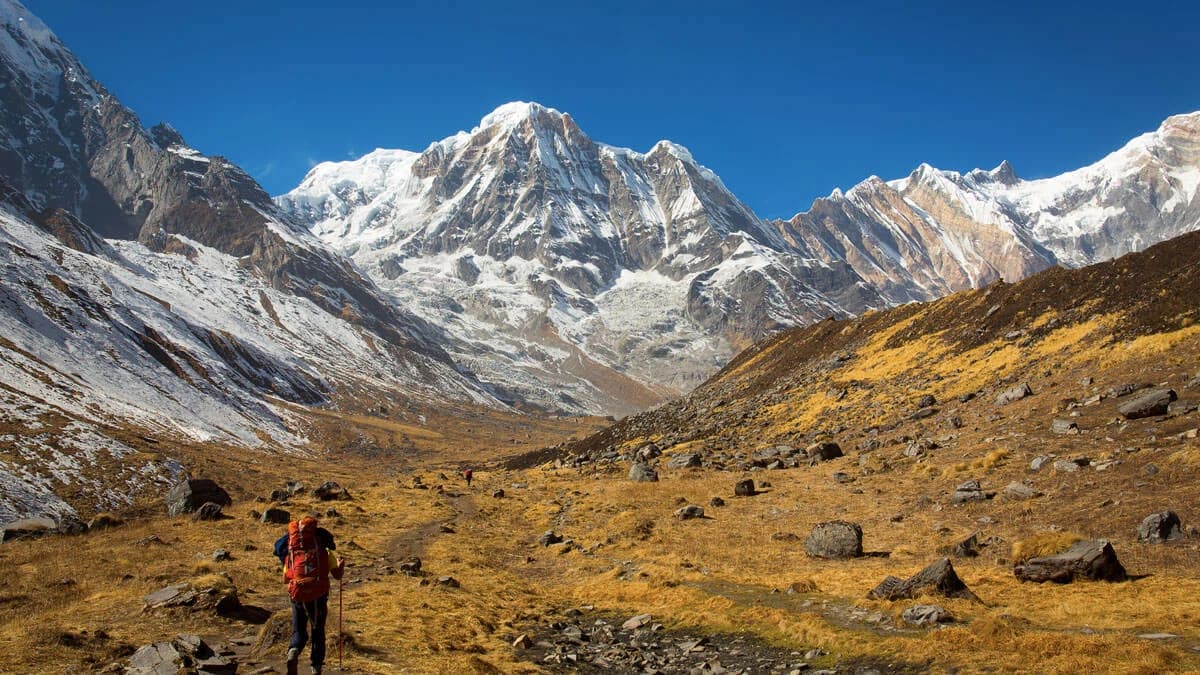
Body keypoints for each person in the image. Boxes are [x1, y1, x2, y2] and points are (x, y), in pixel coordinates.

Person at [275, 515, 344, 675]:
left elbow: (286, 578)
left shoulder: (292, 551)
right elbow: (337, 575)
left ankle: (293, 651)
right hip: (318, 595)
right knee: (318, 631)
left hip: (297, 594)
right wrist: (341, 566)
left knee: (299, 630)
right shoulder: (324, 550)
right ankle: (316, 668)